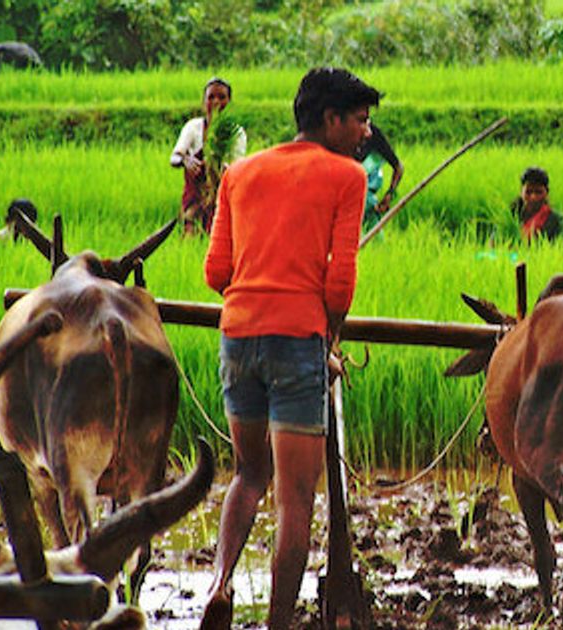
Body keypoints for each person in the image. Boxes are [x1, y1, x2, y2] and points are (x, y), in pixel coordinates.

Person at [200, 67, 378, 630]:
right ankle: (278, 622)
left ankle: (220, 584)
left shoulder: (240, 173)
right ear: (330, 120)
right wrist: (330, 333)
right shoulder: (348, 177)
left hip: (238, 337)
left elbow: (216, 271)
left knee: (249, 475)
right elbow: (341, 282)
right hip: (297, 340)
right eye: (360, 120)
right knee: (295, 497)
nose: (366, 133)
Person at [171, 77, 247, 236]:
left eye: (222, 97)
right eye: (211, 97)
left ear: (229, 101)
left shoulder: (236, 133)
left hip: (222, 198)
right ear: (203, 102)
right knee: (189, 235)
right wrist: (186, 160)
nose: (216, 102)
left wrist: (216, 168)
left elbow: (236, 167)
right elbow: (175, 158)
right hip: (195, 198)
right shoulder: (193, 127)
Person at [354, 123, 404, 232]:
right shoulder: (338, 137)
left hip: (370, 209)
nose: (368, 133)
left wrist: (389, 194)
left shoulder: (374, 134)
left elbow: (398, 166)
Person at [511, 166, 563, 242]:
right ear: (521, 192)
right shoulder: (510, 216)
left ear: (547, 193)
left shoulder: (557, 220)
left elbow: (562, 245)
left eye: (538, 192)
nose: (533, 197)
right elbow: (493, 245)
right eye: (528, 192)